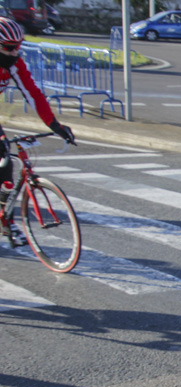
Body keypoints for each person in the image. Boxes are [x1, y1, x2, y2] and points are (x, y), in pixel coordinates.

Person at [0, 17, 76, 248]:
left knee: (6, 166)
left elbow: (33, 94)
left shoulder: (14, 64)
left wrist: (55, 125)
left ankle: (7, 222)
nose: (16, 52)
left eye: (19, 46)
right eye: (10, 47)